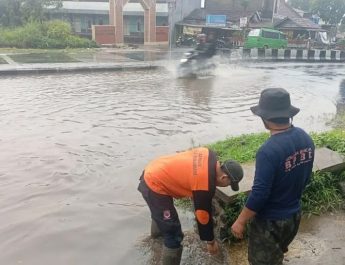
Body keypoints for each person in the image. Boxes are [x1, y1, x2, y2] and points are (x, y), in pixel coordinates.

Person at [231, 88, 315, 265]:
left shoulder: (268, 151)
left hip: (270, 223)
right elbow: (306, 177)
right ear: (288, 114)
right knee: (277, 255)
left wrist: (240, 221)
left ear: (265, 119)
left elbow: (260, 194)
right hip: (294, 216)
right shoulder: (306, 139)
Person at [138, 147, 243, 265]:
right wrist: (211, 242)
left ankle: (156, 241)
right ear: (224, 177)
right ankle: (164, 243)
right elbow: (203, 216)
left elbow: (192, 174)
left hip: (155, 167)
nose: (226, 186)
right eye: (229, 184)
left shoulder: (209, 154)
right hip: (154, 184)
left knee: (161, 215)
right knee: (174, 235)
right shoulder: (205, 185)